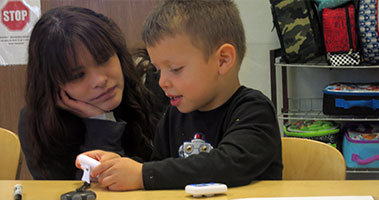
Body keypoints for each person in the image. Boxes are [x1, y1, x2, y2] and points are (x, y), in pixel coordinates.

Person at [77, 0, 283, 191]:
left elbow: (230, 166)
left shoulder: (254, 111)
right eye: (158, 70)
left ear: (222, 60)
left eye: (175, 69)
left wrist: (142, 174)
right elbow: (163, 170)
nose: (162, 82)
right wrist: (118, 167)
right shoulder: (173, 117)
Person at [18, 6, 162, 180]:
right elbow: (79, 191)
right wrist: (101, 123)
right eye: (78, 75)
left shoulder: (156, 85)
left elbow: (165, 175)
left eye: (103, 59)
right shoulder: (39, 123)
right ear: (54, 84)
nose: (99, 80)